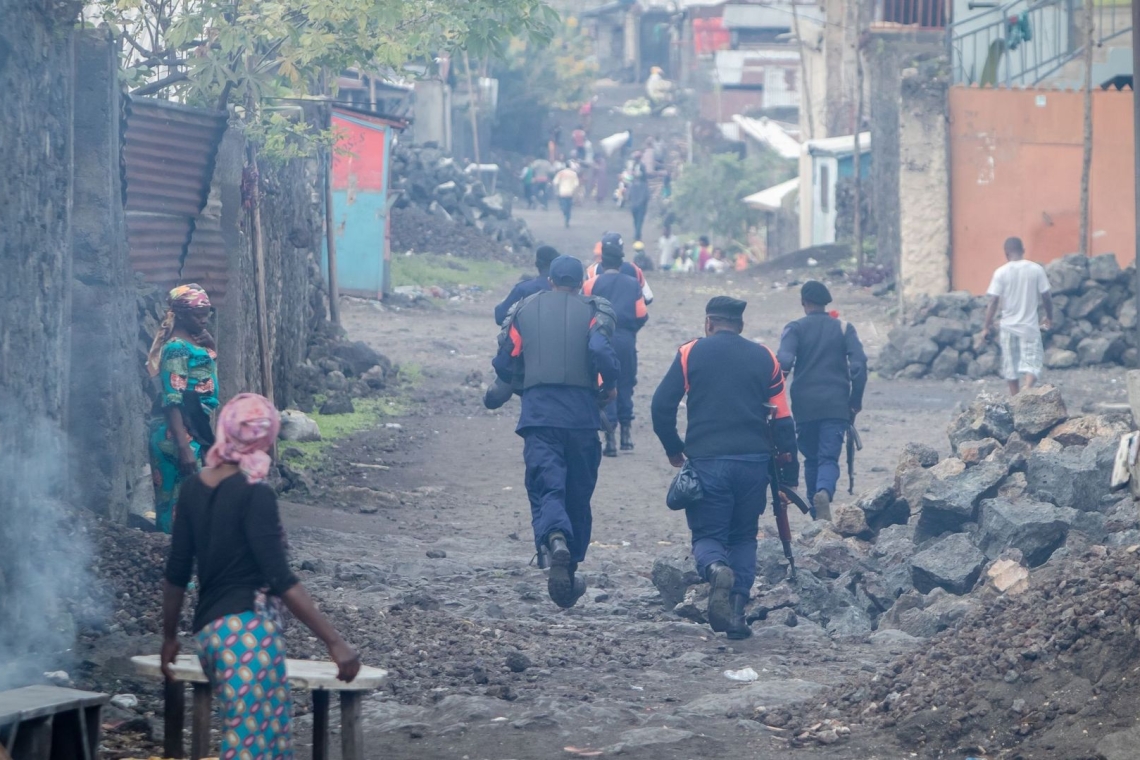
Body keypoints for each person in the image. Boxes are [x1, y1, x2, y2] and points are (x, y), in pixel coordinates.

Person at [162, 394, 361, 757]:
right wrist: (334, 642)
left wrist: (169, 638)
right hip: (246, 635)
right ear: (264, 439)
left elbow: (176, 573)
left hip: (209, 635)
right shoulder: (255, 493)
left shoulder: (192, 489)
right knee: (254, 748)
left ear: (224, 429)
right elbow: (281, 578)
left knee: (262, 741)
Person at [651, 297, 798, 639]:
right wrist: (788, 478)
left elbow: (661, 406)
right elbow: (783, 422)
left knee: (707, 536)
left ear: (708, 323)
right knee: (744, 536)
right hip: (753, 465)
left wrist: (675, 449)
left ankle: (716, 569)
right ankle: (735, 615)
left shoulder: (690, 354)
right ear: (741, 325)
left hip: (707, 463)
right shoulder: (765, 357)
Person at [492, 256, 620, 607]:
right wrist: (609, 384)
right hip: (582, 418)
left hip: (540, 417)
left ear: (550, 280)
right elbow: (600, 349)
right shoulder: (594, 309)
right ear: (581, 283)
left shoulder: (524, 309)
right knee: (578, 493)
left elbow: (504, 362)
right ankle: (570, 563)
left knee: (548, 485)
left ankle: (555, 539)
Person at [776, 281, 868, 521]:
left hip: (804, 405)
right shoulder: (843, 328)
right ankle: (824, 492)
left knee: (811, 458)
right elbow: (859, 366)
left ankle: (816, 514)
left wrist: (772, 393)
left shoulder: (794, 328)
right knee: (828, 457)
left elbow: (783, 362)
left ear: (804, 303)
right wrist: (855, 401)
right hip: (836, 404)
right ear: (826, 303)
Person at [147, 284, 220, 534]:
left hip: (193, 428)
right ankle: (175, 567)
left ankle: (188, 567)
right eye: (197, 314)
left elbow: (201, 374)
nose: (203, 319)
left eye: (206, 313)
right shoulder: (176, 348)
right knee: (175, 506)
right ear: (179, 314)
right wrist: (183, 447)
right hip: (176, 434)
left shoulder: (193, 344)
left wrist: (211, 345)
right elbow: (172, 399)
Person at [584, 233, 649, 456]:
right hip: (626, 339)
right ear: (621, 263)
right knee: (626, 383)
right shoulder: (632, 283)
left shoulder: (591, 283)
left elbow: (584, 312)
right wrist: (629, 331)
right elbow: (642, 314)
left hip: (600, 338)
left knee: (604, 383)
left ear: (602, 262)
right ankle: (627, 436)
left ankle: (609, 438)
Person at [983, 237, 1054, 396]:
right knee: (1032, 362)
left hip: (1008, 326)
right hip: (1029, 326)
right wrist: (1049, 317)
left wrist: (986, 327)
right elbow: (1046, 296)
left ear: (1006, 253)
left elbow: (993, 300)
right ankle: (1027, 388)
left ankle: (1015, 397)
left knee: (1010, 366)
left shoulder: (1000, 272)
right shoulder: (1036, 269)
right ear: (1023, 250)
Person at [495, 245, 560, 325]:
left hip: (528, 336)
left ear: (536, 264)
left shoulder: (523, 289)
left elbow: (500, 317)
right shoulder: (569, 290)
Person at [553, 162, 580, 228]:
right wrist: (575, 193)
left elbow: (555, 182)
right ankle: (567, 220)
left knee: (563, 206)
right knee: (569, 208)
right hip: (570, 193)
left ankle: (564, 213)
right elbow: (576, 184)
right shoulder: (573, 173)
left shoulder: (561, 173)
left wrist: (556, 191)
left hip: (562, 192)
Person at [628, 169, 650, 242]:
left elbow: (628, 196)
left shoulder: (632, 186)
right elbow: (647, 196)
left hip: (633, 206)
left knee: (635, 221)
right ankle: (637, 235)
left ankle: (638, 235)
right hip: (641, 206)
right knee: (639, 221)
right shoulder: (644, 186)